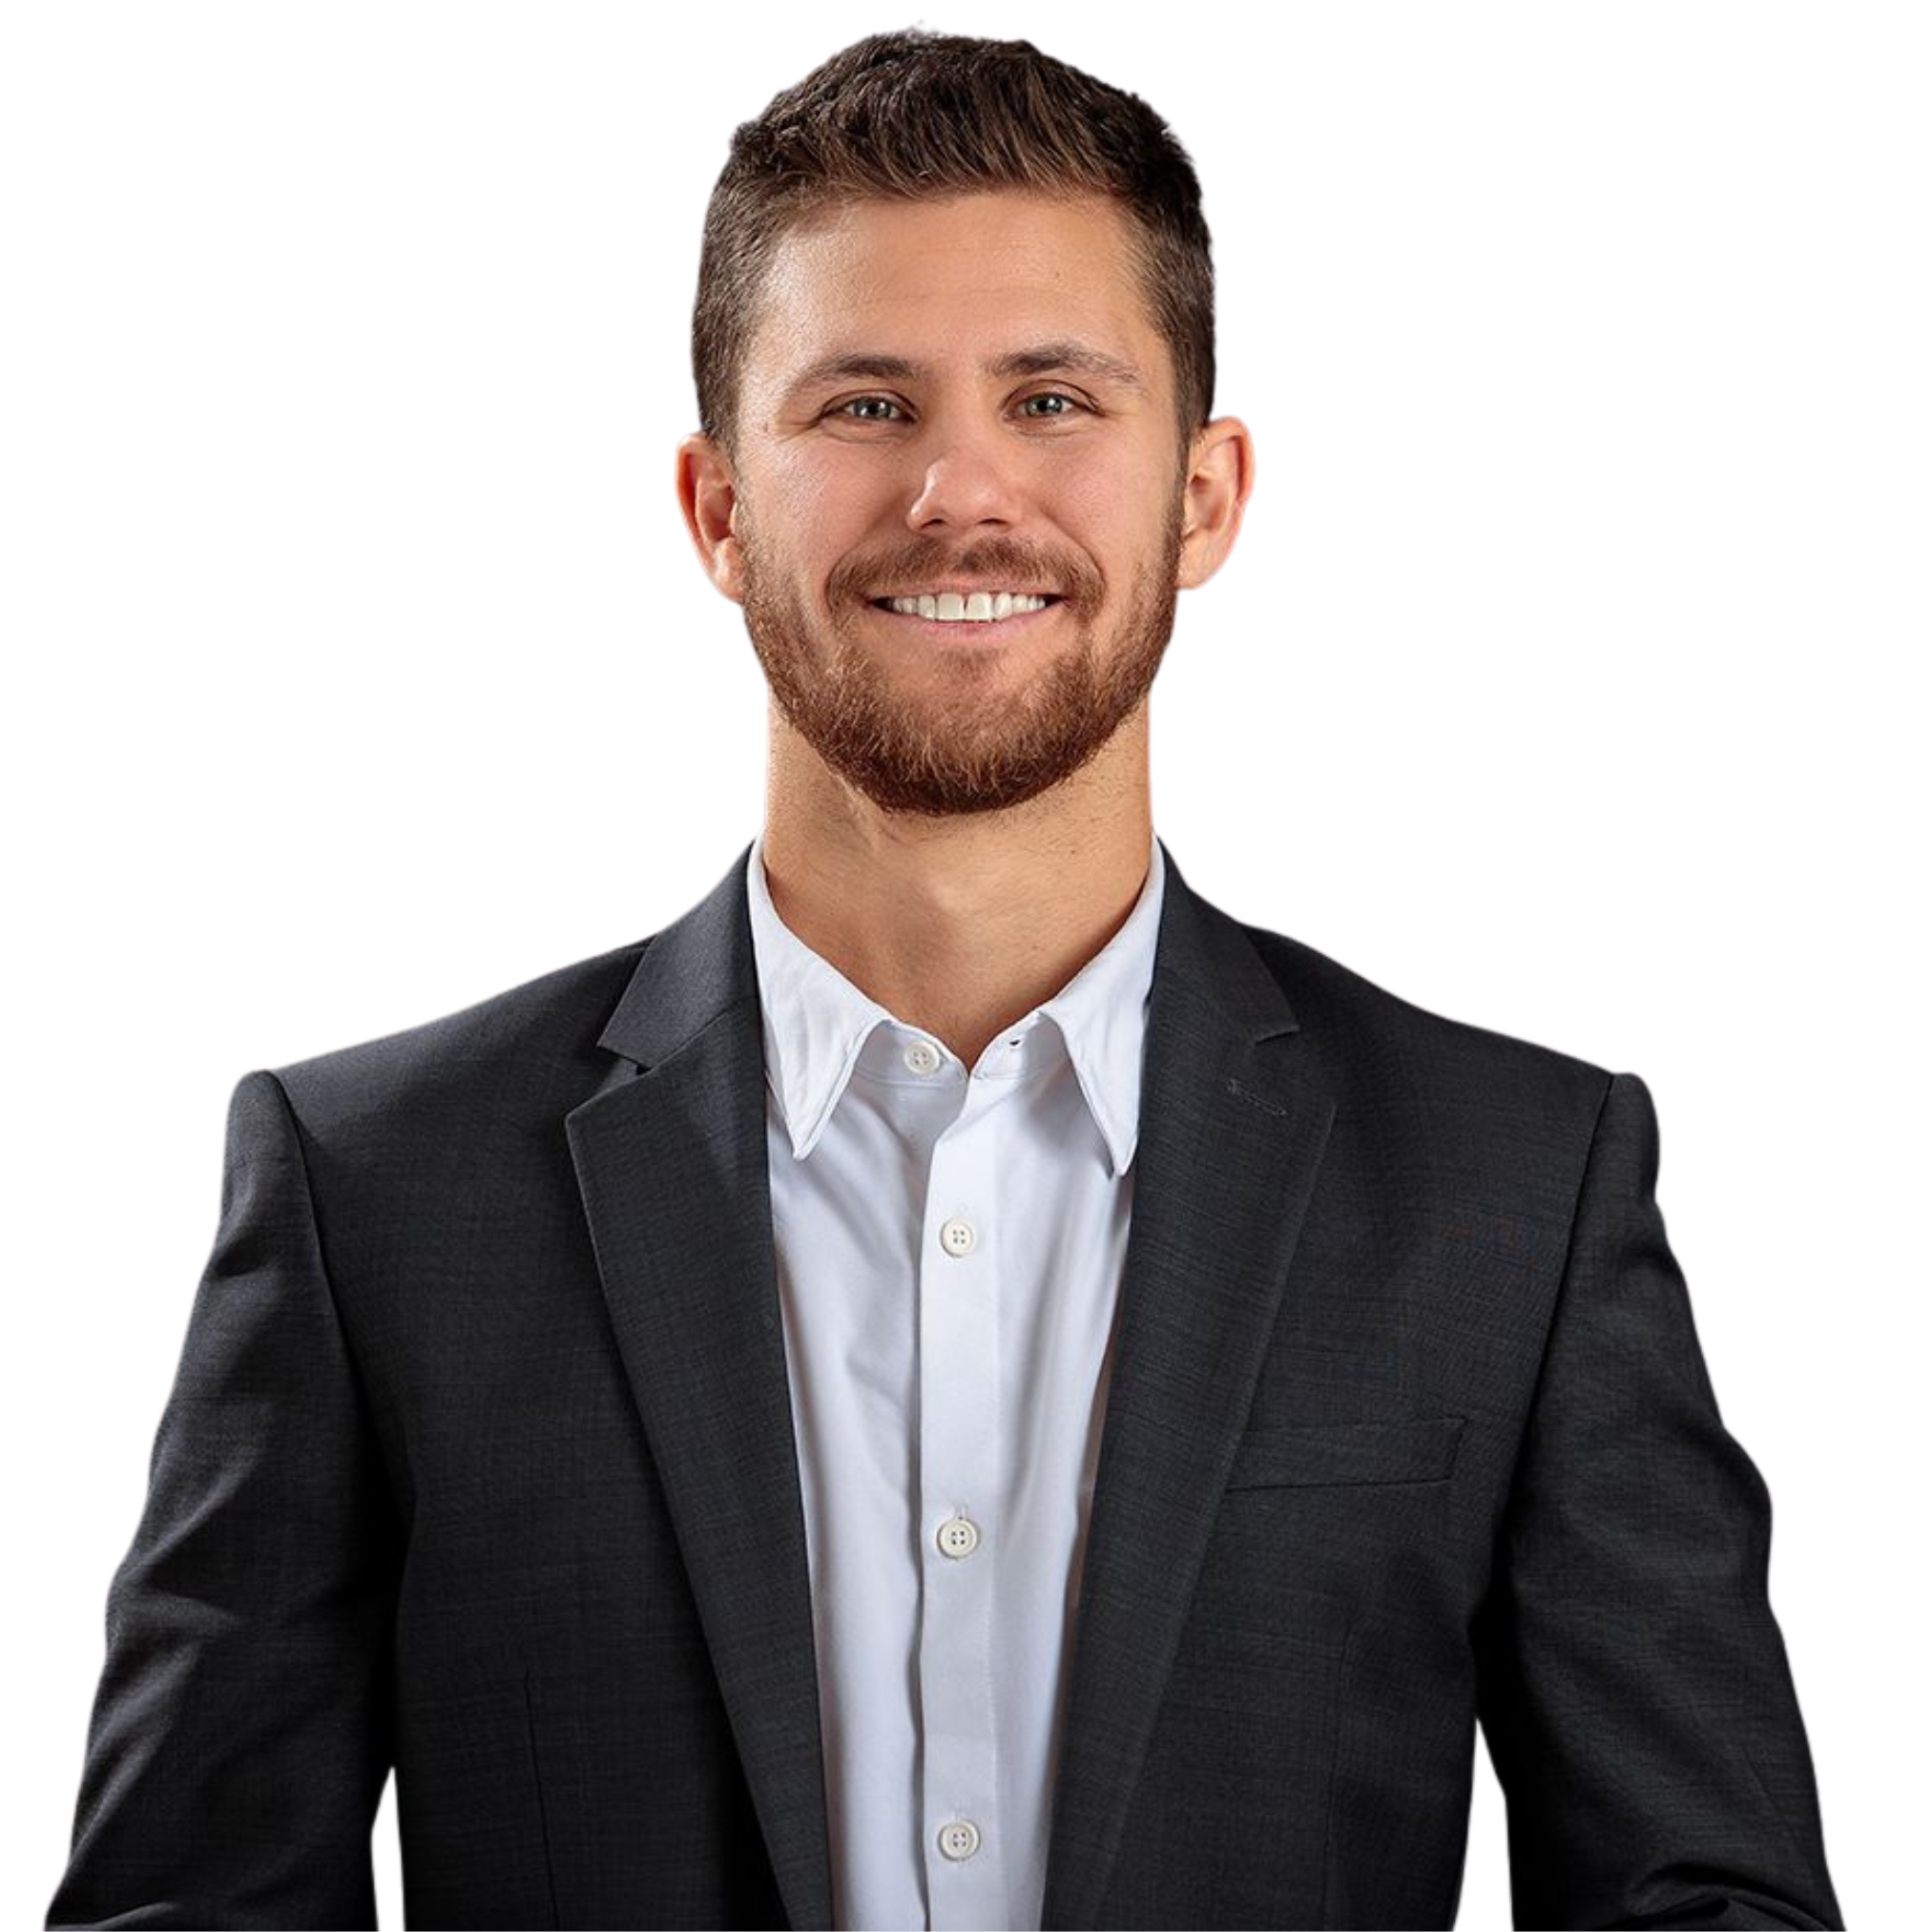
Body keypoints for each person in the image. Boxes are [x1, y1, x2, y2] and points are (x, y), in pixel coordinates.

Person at [47, 29, 1840, 1932]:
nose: (959, 492)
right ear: (719, 509)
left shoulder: (1511, 1191)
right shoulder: (375, 1192)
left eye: (1053, 396)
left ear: (1205, 497)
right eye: (863, 406)